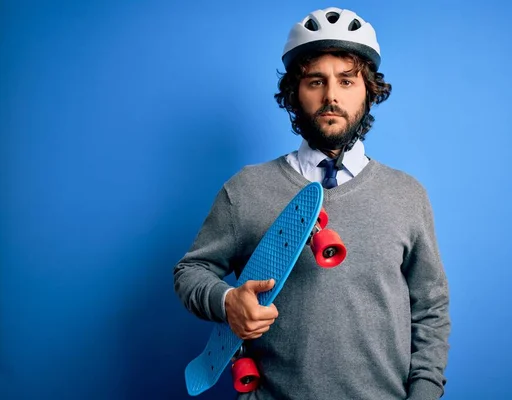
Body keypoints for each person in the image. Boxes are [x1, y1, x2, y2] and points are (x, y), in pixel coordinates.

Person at [174, 7, 450, 400]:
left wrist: (424, 394)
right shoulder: (248, 188)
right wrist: (227, 301)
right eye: (315, 81)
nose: (332, 96)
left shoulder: (406, 195)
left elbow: (431, 309)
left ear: (369, 90)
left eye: (347, 81)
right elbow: (191, 271)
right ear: (294, 94)